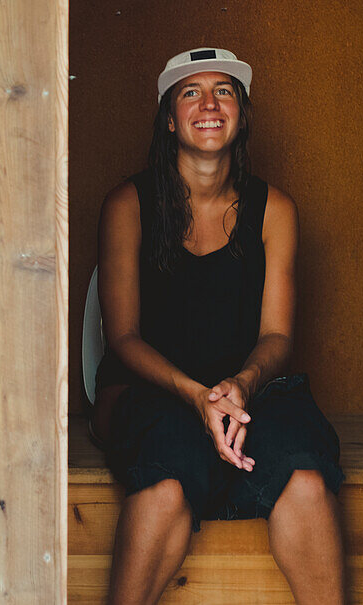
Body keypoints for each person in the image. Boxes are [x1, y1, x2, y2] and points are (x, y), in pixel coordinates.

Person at [92, 49, 346, 604]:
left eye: (224, 91)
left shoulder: (275, 208)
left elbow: (278, 335)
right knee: (163, 485)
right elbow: (124, 338)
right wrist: (196, 396)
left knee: (305, 482)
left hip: (251, 392)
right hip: (153, 392)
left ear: (243, 113)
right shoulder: (128, 204)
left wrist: (241, 385)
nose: (208, 104)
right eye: (190, 92)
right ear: (168, 117)